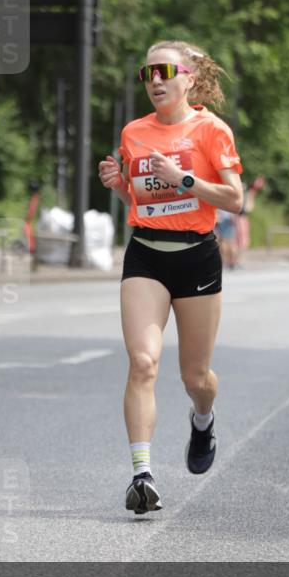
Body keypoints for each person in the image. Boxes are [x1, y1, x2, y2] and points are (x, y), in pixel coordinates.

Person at [98, 40, 243, 515]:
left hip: (197, 257)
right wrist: (121, 186)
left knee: (195, 377)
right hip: (146, 255)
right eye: (147, 73)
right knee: (143, 362)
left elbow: (235, 199)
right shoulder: (134, 132)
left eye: (164, 71)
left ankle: (204, 419)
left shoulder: (211, 130)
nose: (154, 81)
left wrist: (184, 179)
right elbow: (142, 204)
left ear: (189, 79)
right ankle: (142, 475)